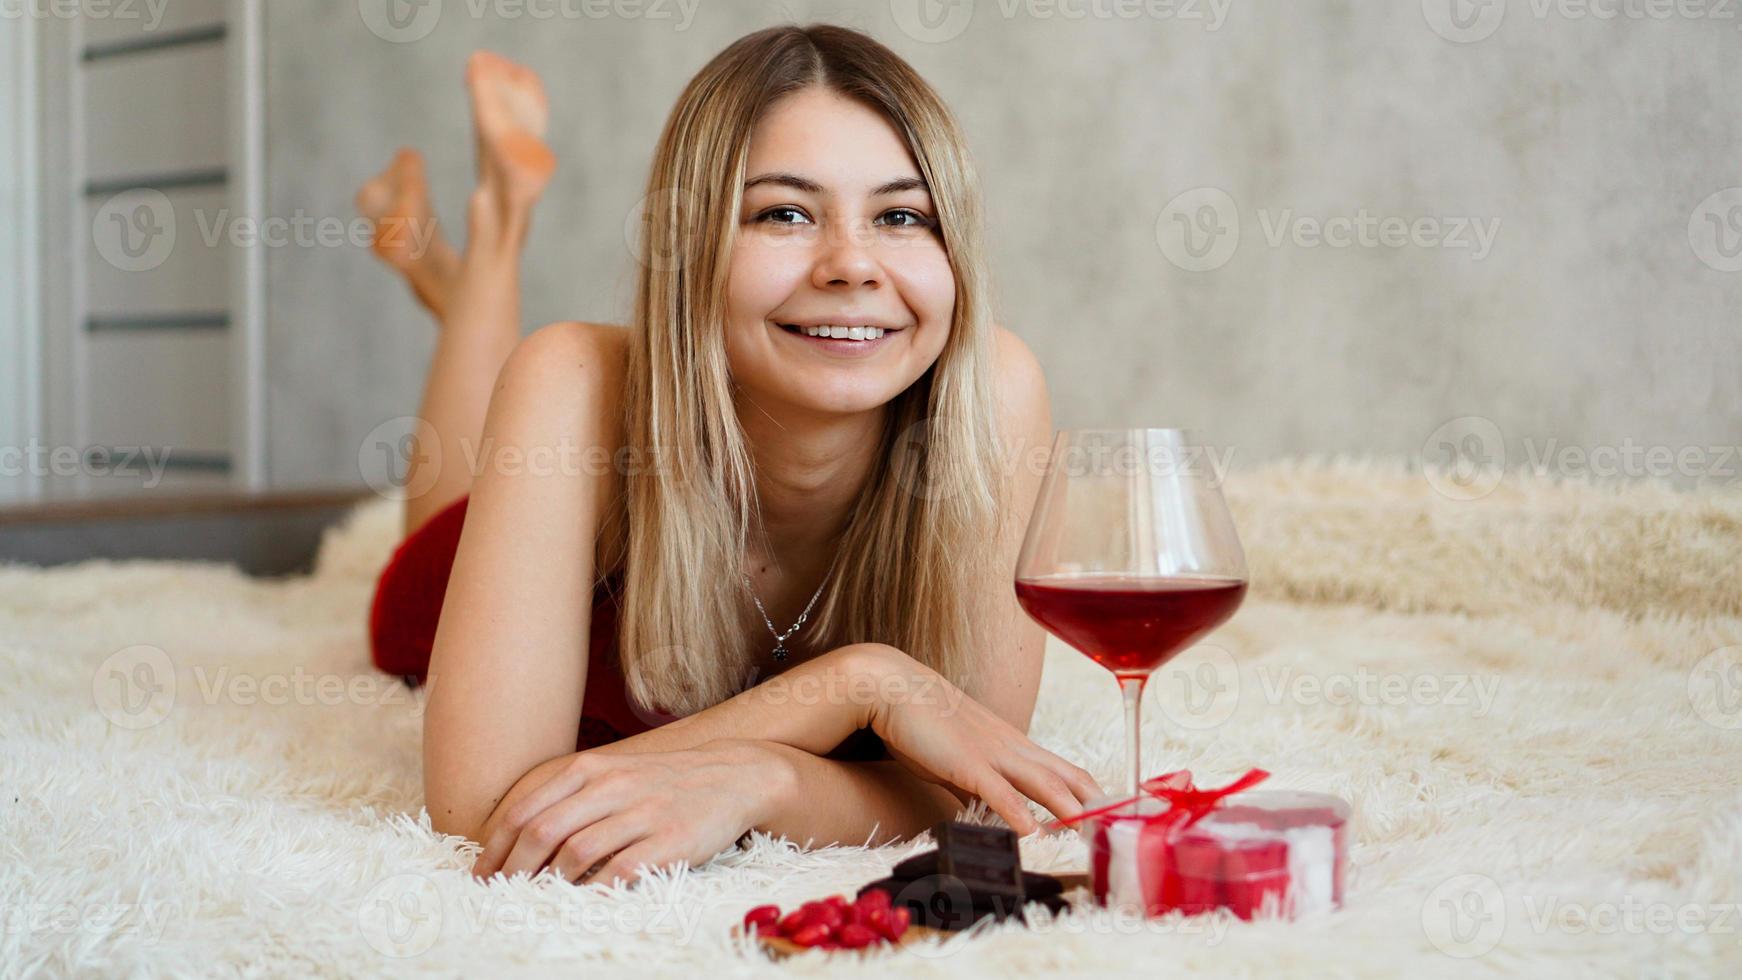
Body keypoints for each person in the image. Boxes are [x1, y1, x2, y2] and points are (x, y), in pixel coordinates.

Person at [356, 25, 1101, 889]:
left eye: (901, 216)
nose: (852, 265)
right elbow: (486, 813)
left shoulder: (994, 393)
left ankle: (458, 270)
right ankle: (497, 225)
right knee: (445, 499)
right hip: (484, 542)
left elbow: (974, 792)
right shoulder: (571, 380)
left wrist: (770, 779)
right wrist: (859, 684)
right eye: (784, 212)